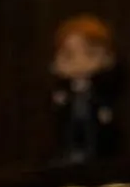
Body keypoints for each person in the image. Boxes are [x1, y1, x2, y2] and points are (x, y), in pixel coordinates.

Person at [50, 15, 119, 162]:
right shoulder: (64, 90)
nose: (79, 62)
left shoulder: (103, 88)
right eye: (69, 55)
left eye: (90, 54)